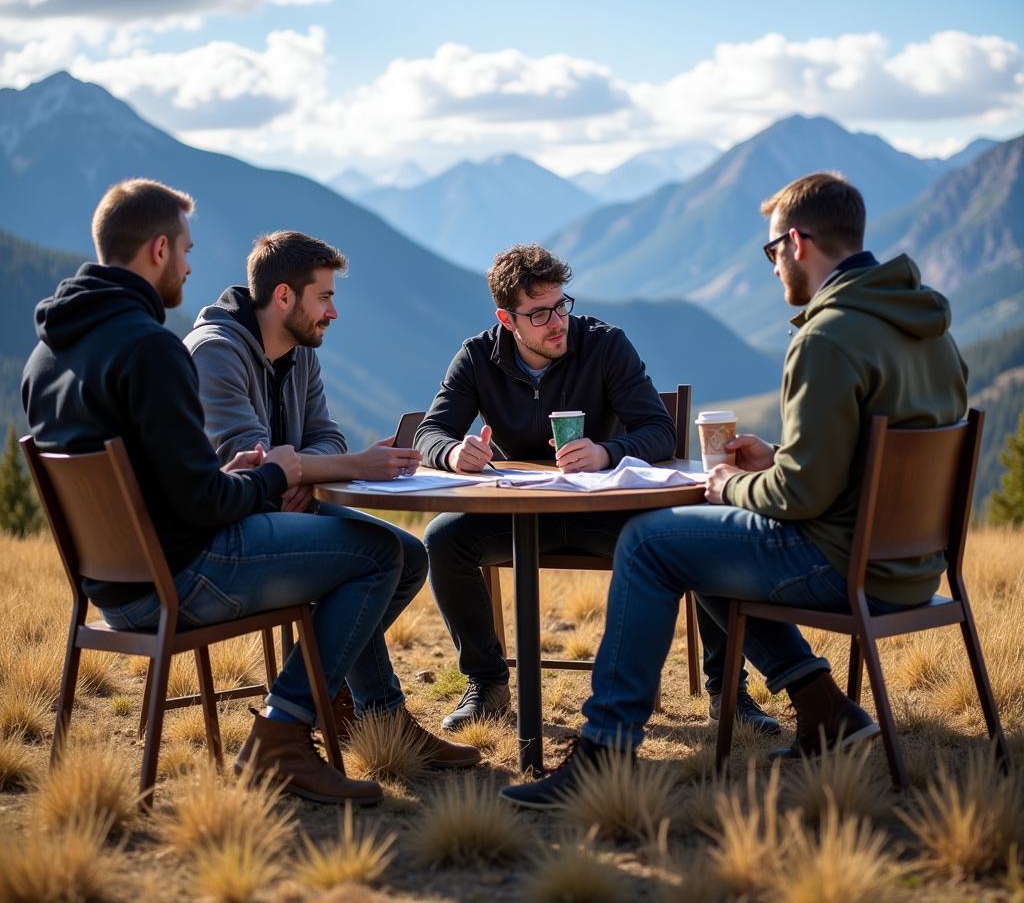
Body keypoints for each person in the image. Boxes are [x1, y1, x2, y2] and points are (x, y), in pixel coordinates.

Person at [501, 172, 969, 808]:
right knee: (693, 545)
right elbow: (868, 463)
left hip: (840, 566)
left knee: (650, 541)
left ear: (798, 243)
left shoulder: (829, 336)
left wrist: (731, 482)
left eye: (773, 251)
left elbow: (799, 496)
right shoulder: (928, 327)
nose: (774, 267)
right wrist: (777, 456)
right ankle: (824, 709)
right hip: (911, 568)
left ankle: (604, 751)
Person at [22, 179, 412, 806]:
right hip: (185, 573)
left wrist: (250, 474)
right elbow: (200, 504)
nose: (189, 263)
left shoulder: (45, 358)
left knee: (375, 552)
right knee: (381, 555)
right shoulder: (151, 350)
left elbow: (174, 483)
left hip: (112, 590)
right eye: (185, 248)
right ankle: (281, 738)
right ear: (157, 250)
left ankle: (347, 708)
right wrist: (271, 477)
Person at [415, 243, 775, 733]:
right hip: (521, 514)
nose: (557, 321)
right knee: (442, 539)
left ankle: (727, 692)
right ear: (507, 319)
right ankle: (488, 685)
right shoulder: (478, 357)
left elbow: (658, 430)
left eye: (561, 304)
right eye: (538, 313)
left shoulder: (605, 345)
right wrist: (454, 453)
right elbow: (428, 433)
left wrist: (605, 452)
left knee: (698, 538)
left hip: (606, 514)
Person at [183, 230, 478, 768]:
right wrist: (345, 468)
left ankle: (332, 695)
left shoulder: (300, 351)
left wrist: (298, 471)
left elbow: (326, 437)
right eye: (325, 296)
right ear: (283, 297)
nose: (334, 312)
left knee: (410, 557)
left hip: (278, 512)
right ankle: (352, 713)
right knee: (378, 556)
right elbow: (248, 456)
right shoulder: (214, 355)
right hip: (225, 531)